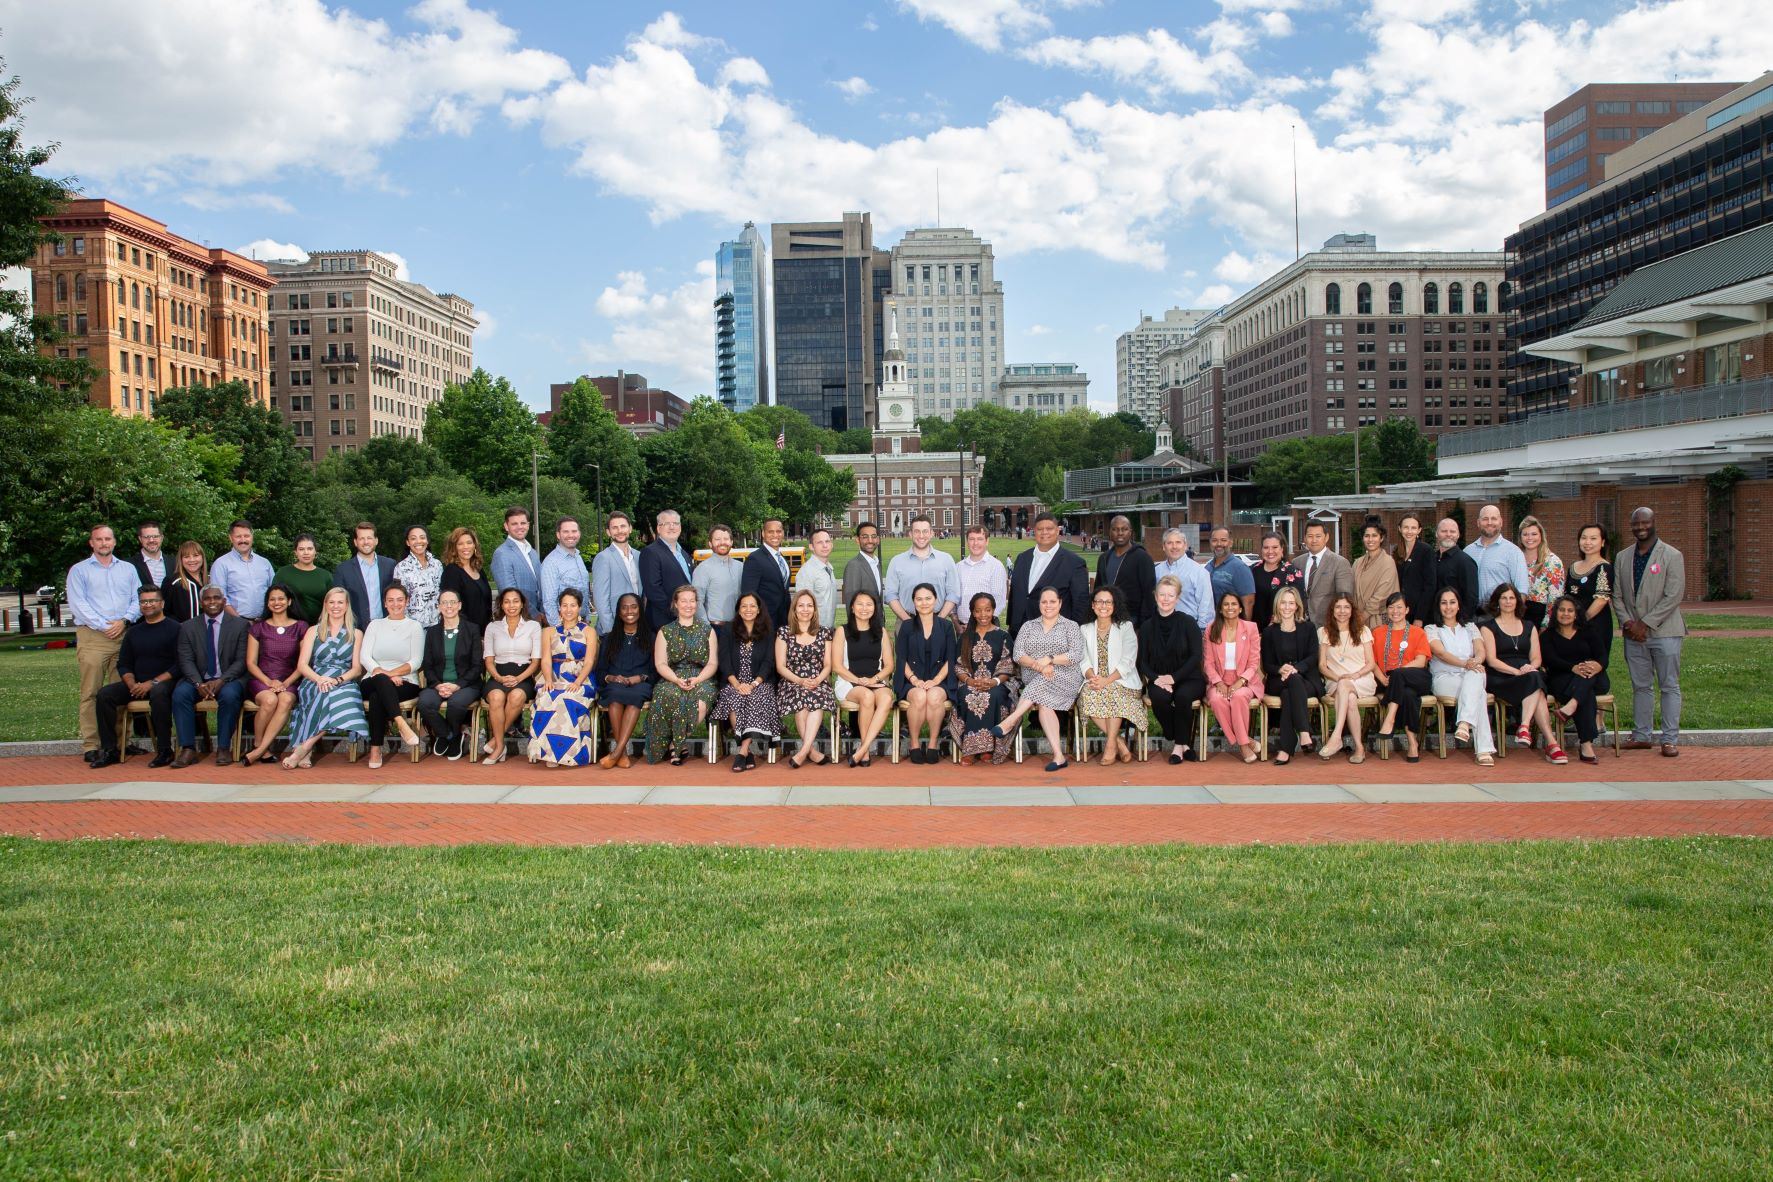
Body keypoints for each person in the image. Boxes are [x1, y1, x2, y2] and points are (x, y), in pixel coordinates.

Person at [1614, 506, 1685, 757]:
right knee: (1641, 686)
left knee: (1669, 685)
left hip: (1665, 632)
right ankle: (1642, 735)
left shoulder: (1672, 555)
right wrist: (1628, 623)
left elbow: (1673, 595)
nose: (1640, 527)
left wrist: (1645, 623)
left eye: (1645, 523)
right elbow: (1618, 595)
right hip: (1633, 634)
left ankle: (1669, 739)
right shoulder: (1623, 557)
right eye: (1636, 524)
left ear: (1654, 522)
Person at [68, 523, 142, 762]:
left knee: (122, 690)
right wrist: (104, 625)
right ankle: (91, 744)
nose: (104, 543)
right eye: (99, 539)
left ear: (114, 541)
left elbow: (137, 599)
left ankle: (122, 741)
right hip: (93, 636)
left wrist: (124, 620)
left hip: (124, 634)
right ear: (92, 543)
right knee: (91, 692)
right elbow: (79, 604)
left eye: (108, 539)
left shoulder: (128, 569)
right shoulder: (79, 571)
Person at [994, 586, 1087, 772]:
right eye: (1044, 602)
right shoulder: (1028, 626)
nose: (1048, 605)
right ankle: (1059, 756)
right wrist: (1040, 666)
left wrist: (1051, 659)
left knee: (1044, 681)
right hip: (1035, 675)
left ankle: (1011, 720)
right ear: (1039, 604)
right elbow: (1018, 654)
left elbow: (1076, 654)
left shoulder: (1071, 626)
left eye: (1052, 601)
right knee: (1044, 701)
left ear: (1060, 603)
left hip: (1066, 676)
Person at [91, 585, 181, 768]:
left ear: (162, 603)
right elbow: (124, 663)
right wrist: (132, 684)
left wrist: (151, 683)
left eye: (152, 601)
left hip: (165, 682)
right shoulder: (133, 632)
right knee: (104, 695)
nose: (147, 605)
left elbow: (180, 665)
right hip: (136, 684)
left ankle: (165, 750)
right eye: (143, 602)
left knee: (158, 693)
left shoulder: (176, 628)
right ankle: (110, 750)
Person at [282, 587, 369, 770]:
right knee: (322, 693)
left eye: (340, 602)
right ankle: (306, 749)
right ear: (325, 605)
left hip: (343, 681)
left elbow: (356, 668)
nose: (335, 606)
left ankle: (304, 748)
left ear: (346, 606)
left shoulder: (356, 633)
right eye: (331, 602)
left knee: (338, 695)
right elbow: (302, 665)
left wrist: (337, 680)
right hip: (315, 679)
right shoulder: (313, 631)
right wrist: (319, 679)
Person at [1482, 584, 1564, 762]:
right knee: (1537, 687)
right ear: (1497, 602)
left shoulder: (1529, 626)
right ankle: (1550, 743)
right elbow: (1492, 660)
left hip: (1528, 674)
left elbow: (1536, 657)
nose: (1508, 602)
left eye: (1511, 598)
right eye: (1503, 598)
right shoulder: (1487, 627)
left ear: (1517, 601)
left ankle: (1526, 727)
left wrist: (1530, 667)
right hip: (1501, 676)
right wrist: (1516, 671)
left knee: (1535, 678)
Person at [171, 585, 249, 768]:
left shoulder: (240, 625)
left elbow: (241, 660)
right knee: (180, 695)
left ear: (224, 600)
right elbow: (185, 660)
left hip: (229, 679)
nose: (212, 602)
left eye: (216, 597)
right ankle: (188, 748)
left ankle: (223, 747)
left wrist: (221, 681)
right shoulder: (187, 627)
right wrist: (198, 683)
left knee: (230, 696)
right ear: (200, 602)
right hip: (197, 679)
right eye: (207, 598)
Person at [647, 585, 719, 766]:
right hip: (673, 676)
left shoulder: (707, 630)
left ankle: (675, 743)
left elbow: (712, 663)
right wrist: (676, 679)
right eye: (684, 601)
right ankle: (675, 745)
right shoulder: (665, 631)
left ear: (697, 603)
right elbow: (660, 663)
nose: (688, 605)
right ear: (676, 604)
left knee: (701, 703)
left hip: (701, 677)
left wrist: (698, 679)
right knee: (670, 695)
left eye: (692, 601)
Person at [358, 582, 427, 770]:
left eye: (399, 600)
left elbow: (416, 661)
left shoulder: (414, 626)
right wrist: (384, 675)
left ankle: (375, 749)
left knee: (377, 696)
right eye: (391, 600)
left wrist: (389, 675)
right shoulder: (375, 625)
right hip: (372, 679)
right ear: (385, 603)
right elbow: (365, 657)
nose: (395, 604)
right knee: (378, 685)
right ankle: (401, 723)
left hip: (405, 682)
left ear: (407, 602)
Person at [1138, 574, 1205, 765]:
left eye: (1170, 595)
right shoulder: (1147, 627)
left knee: (1183, 697)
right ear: (1155, 596)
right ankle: (1181, 739)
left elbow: (1196, 657)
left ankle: (1177, 747)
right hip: (1159, 678)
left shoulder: (1188, 623)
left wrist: (1173, 678)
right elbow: (1142, 661)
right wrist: (1156, 679)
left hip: (1188, 678)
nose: (1166, 599)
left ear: (1177, 598)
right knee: (1159, 698)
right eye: (1162, 595)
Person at [529, 587, 598, 769]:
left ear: (580, 607)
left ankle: (569, 755)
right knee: (547, 697)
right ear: (559, 608)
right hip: (553, 675)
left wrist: (577, 682)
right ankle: (549, 755)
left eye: (573, 605)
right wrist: (549, 680)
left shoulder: (589, 631)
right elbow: (545, 659)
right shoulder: (549, 631)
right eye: (564, 605)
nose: (568, 610)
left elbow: (589, 661)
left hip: (580, 677)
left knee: (566, 699)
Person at [1426, 587, 1496, 766]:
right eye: (1444, 603)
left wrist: (1476, 661)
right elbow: (1440, 653)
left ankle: (1464, 724)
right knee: (1478, 692)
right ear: (1438, 606)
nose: (1448, 607)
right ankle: (1483, 750)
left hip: (1470, 673)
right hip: (1445, 678)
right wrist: (1466, 664)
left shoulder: (1470, 627)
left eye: (1452, 602)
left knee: (1476, 676)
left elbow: (1481, 651)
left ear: (1458, 605)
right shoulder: (1432, 629)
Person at [1077, 585, 1146, 765]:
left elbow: (1128, 660)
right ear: (1093, 605)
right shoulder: (1085, 629)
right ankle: (1118, 742)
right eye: (1099, 601)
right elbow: (1082, 659)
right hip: (1094, 680)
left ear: (1115, 605)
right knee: (1087, 698)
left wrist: (1107, 680)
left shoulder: (1125, 627)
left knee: (1113, 694)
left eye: (1108, 602)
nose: (1103, 605)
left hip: (1122, 680)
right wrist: (1093, 678)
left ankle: (1109, 746)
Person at [240, 585, 308, 766]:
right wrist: (269, 681)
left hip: (290, 679)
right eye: (272, 599)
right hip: (262, 679)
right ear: (267, 603)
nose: (276, 602)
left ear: (289, 601)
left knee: (285, 700)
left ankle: (259, 751)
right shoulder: (258, 628)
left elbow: (303, 663)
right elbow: (251, 663)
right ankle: (259, 744)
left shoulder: (301, 627)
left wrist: (285, 683)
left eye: (281, 599)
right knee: (270, 700)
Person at [947, 591, 1015, 766]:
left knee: (993, 695)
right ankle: (971, 749)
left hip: (998, 682)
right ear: (972, 612)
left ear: (993, 611)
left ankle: (987, 748)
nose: (983, 615)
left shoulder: (1003, 636)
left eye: (987, 610)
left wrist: (994, 681)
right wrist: (969, 681)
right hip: (969, 681)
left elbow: (1007, 666)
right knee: (968, 695)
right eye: (978, 611)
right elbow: (958, 666)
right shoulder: (965, 637)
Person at [712, 592, 778, 772]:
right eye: (744, 606)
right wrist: (737, 684)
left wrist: (754, 684)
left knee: (756, 697)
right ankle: (746, 751)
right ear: (738, 610)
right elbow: (724, 660)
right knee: (736, 699)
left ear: (758, 610)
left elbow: (768, 662)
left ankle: (741, 751)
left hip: (760, 683)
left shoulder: (768, 631)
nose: (748, 609)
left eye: (752, 606)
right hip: (734, 682)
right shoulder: (728, 630)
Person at [895, 583, 960, 764]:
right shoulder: (906, 626)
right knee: (919, 697)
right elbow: (901, 659)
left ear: (936, 600)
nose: (924, 603)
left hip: (940, 679)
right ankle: (914, 743)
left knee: (934, 697)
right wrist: (914, 680)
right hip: (911, 679)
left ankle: (933, 743)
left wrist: (936, 680)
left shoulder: (946, 626)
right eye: (919, 599)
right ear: (914, 602)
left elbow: (951, 658)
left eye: (928, 598)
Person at [1543, 595, 1610, 766]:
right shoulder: (1548, 636)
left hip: (1594, 677)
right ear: (1555, 613)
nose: (1565, 614)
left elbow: (1602, 656)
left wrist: (1597, 666)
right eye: (1562, 610)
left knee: (1586, 676)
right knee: (1584, 693)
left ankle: (1571, 706)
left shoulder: (1589, 631)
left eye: (1570, 610)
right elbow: (1550, 660)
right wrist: (1572, 667)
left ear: (1576, 614)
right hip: (1562, 679)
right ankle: (1586, 745)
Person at [418, 588, 484, 761]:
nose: (449, 606)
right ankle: (449, 735)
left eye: (452, 602)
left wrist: (457, 685)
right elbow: (428, 665)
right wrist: (438, 685)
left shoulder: (472, 630)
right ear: (439, 606)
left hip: (467, 684)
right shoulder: (432, 632)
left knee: (456, 703)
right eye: (444, 602)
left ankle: (451, 736)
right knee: (424, 702)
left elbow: (477, 665)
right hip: (438, 684)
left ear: (459, 605)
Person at [1006, 513, 1091, 644]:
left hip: (1055, 638)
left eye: (1049, 529)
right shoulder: (1022, 558)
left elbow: (1081, 604)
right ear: (1034, 531)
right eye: (1040, 529)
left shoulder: (1074, 563)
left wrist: (1073, 637)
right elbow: (1016, 594)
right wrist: (1011, 624)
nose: (1044, 532)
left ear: (1058, 531)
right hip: (1019, 633)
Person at [482, 588, 543, 764]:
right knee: (496, 697)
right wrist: (499, 678)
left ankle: (495, 742)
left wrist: (518, 678)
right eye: (507, 601)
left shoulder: (533, 626)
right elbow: (488, 660)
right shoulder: (492, 627)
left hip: (523, 675)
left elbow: (535, 662)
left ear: (522, 603)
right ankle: (500, 745)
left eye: (515, 601)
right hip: (498, 674)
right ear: (501, 604)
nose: (511, 605)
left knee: (516, 696)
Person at [595, 592, 655, 768]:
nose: (629, 611)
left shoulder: (651, 638)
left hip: (640, 685)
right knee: (614, 696)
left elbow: (655, 672)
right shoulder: (610, 638)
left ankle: (616, 753)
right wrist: (611, 677)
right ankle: (623, 753)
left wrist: (640, 677)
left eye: (634, 606)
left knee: (635, 697)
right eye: (624, 607)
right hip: (615, 685)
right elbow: (600, 672)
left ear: (640, 610)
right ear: (619, 612)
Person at [776, 589, 836, 768]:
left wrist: (818, 680)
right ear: (794, 609)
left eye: (809, 605)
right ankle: (811, 751)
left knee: (815, 698)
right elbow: (780, 666)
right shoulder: (784, 632)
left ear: (815, 610)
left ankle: (803, 752)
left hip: (819, 680)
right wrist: (800, 681)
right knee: (801, 702)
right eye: (801, 605)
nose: (805, 609)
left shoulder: (824, 633)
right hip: (792, 681)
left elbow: (828, 665)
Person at [1259, 585, 1318, 766]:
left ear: (1297, 606)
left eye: (1291, 603)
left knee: (1288, 694)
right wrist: (1281, 670)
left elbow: (1313, 656)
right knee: (1289, 686)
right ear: (1277, 605)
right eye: (1283, 603)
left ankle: (1286, 748)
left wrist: (1295, 669)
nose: (1287, 607)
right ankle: (1304, 732)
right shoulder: (1269, 632)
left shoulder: (1308, 628)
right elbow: (1267, 664)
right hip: (1278, 680)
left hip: (1305, 679)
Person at [1202, 591, 1263, 763]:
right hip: (1220, 680)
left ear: (1240, 608)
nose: (1230, 607)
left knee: (1238, 696)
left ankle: (1242, 744)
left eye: (1234, 604)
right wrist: (1218, 682)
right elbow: (1208, 663)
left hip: (1245, 681)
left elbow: (1254, 663)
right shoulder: (1212, 629)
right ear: (1220, 609)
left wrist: (1241, 681)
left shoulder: (1250, 628)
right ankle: (1245, 742)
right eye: (1226, 604)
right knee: (1215, 699)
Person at [1317, 593, 1377, 764]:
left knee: (1347, 688)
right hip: (1335, 680)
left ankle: (1336, 737)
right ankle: (1359, 747)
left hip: (1362, 678)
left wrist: (1356, 675)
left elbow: (1371, 663)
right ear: (1332, 610)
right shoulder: (1324, 632)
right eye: (1338, 607)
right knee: (1349, 698)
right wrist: (1338, 677)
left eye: (1346, 607)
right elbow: (1322, 665)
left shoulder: (1363, 631)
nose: (1342, 611)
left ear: (1352, 610)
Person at [1371, 592, 1430, 762]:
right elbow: (1372, 662)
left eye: (1399, 607)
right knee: (1408, 695)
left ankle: (1389, 719)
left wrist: (1399, 672)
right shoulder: (1378, 633)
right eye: (1391, 607)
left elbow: (1420, 662)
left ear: (1407, 610)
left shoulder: (1418, 632)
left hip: (1415, 676)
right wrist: (1382, 679)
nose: (1395, 611)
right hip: (1388, 680)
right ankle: (1412, 743)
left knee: (1399, 675)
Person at [884, 514, 960, 623]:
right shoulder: (896, 561)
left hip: (939, 619)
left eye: (925, 531)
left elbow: (953, 593)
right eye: (917, 531)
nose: (921, 535)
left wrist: (940, 620)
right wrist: (907, 621)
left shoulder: (946, 559)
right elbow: (891, 595)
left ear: (931, 533)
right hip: (905, 620)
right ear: (910, 534)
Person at [638, 509, 696, 630]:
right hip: (663, 622)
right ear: (658, 528)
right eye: (667, 524)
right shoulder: (650, 552)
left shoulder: (685, 554)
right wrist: (675, 611)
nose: (672, 527)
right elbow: (653, 589)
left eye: (675, 523)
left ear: (680, 527)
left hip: (686, 619)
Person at [333, 522, 397, 631]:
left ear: (376, 540)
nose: (366, 542)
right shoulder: (342, 570)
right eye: (361, 538)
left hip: (387, 627)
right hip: (355, 629)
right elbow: (338, 601)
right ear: (355, 542)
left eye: (369, 538)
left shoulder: (391, 565)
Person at [1566, 523, 1615, 661]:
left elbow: (1601, 600)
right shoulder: (1573, 567)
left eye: (1593, 538)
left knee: (1591, 666)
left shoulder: (1604, 567)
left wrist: (1581, 621)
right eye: (1584, 538)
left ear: (1603, 542)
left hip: (1595, 626)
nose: (1587, 542)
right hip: (1571, 625)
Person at [1096, 515, 1156, 628]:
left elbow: (1149, 593)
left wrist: (1144, 625)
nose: (1120, 533)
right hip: (1106, 619)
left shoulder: (1142, 558)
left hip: (1132, 621)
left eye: (1124, 529)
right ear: (1110, 532)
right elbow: (1098, 590)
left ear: (1130, 532)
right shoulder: (1104, 558)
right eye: (1115, 529)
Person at [1465, 503, 1530, 609]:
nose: (1489, 523)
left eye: (1494, 518)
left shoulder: (1513, 552)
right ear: (1478, 522)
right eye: (1485, 519)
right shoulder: (1468, 551)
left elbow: (1522, 591)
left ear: (1501, 522)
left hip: (1499, 614)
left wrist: (1510, 618)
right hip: (1470, 615)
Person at [590, 511, 642, 634]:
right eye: (615, 528)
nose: (619, 531)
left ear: (630, 528)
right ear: (608, 532)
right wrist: (610, 630)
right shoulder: (603, 558)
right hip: (614, 627)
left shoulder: (639, 556)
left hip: (638, 625)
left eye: (623, 526)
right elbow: (600, 599)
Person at [210, 520, 274, 620]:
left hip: (265, 623)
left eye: (246, 536)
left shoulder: (264, 563)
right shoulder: (221, 564)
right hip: (235, 624)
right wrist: (240, 622)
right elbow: (219, 598)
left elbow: (274, 591)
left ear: (252, 537)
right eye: (238, 536)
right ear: (231, 538)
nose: (243, 540)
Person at [489, 506, 543, 623]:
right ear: (506, 526)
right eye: (514, 524)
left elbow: (540, 588)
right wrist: (535, 615)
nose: (520, 527)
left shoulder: (532, 553)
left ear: (528, 525)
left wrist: (543, 613)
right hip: (518, 621)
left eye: (523, 523)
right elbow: (509, 592)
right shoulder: (502, 553)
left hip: (538, 619)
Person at [1153, 527, 1214, 628]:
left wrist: (1201, 631)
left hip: (1189, 628)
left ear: (1185, 545)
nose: (1174, 546)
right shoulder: (1157, 571)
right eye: (1169, 543)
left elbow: (1206, 606)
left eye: (1178, 542)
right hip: (1161, 627)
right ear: (1164, 546)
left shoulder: (1199, 572)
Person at [739, 517, 792, 631]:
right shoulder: (755, 559)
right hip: (764, 623)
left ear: (783, 533)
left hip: (783, 621)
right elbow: (748, 593)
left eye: (778, 531)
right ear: (763, 533)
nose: (775, 535)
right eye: (770, 532)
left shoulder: (782, 559)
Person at [1296, 520, 1354, 625]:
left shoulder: (1340, 563)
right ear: (1304, 538)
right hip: (1301, 623)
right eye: (1310, 536)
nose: (1314, 540)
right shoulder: (1297, 562)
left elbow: (1345, 597)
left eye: (1318, 536)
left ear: (1326, 537)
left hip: (1328, 624)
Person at [539, 516, 590, 630]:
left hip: (582, 623)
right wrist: (561, 630)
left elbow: (584, 592)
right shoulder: (551, 563)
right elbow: (549, 602)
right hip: (564, 627)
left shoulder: (578, 557)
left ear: (579, 533)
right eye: (565, 532)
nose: (570, 535)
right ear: (558, 535)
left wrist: (587, 618)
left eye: (574, 531)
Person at [440, 526, 493, 633]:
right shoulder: (451, 572)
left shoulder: (478, 569)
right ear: (454, 548)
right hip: (464, 633)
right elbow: (452, 607)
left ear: (474, 545)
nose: (466, 547)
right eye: (460, 544)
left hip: (484, 631)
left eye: (469, 542)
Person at [1517, 515, 1564, 630]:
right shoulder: (1516, 558)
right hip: (1517, 613)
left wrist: (1546, 624)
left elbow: (1555, 597)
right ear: (1520, 537)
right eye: (1525, 534)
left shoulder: (1552, 561)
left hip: (1540, 615)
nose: (1529, 538)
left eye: (1534, 534)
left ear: (1541, 536)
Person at [1249, 531, 1303, 631]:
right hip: (1254, 631)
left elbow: (1299, 605)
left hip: (1281, 631)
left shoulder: (1293, 573)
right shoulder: (1252, 570)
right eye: (1266, 547)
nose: (1270, 551)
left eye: (1274, 547)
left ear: (1282, 549)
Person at [691, 524, 743, 627]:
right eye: (717, 539)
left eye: (726, 539)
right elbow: (697, 601)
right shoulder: (703, 569)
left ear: (731, 542)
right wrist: (707, 629)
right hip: (715, 628)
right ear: (710, 544)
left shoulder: (741, 567)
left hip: (739, 628)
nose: (722, 542)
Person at [955, 525, 1008, 627]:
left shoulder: (996, 566)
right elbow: (954, 596)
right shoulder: (958, 567)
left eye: (980, 539)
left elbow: (998, 600)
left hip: (986, 627)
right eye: (971, 539)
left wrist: (980, 624)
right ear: (967, 542)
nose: (975, 543)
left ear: (987, 541)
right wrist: (956, 622)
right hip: (962, 627)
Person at [392, 525, 443, 629]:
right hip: (413, 627)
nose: (418, 541)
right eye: (413, 538)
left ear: (427, 540)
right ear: (408, 542)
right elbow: (399, 599)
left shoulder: (437, 565)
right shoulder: (401, 568)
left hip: (438, 625)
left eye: (422, 537)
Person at [273, 534, 332, 624]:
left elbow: (333, 603)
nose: (306, 553)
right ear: (295, 552)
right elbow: (273, 600)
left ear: (315, 551)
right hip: (289, 627)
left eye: (310, 549)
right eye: (301, 549)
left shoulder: (326, 576)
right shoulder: (283, 573)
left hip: (318, 628)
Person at [1352, 522, 1400, 624]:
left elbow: (1382, 593)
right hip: (1357, 617)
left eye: (1374, 536)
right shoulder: (1358, 563)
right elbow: (1352, 590)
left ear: (1381, 538)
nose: (1370, 540)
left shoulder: (1388, 562)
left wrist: (1364, 615)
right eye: (1367, 536)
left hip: (1378, 619)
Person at [793, 527, 840, 629]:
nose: (825, 545)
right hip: (813, 631)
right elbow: (802, 608)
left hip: (828, 630)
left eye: (827, 541)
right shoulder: (807, 572)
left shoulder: (828, 568)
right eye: (819, 542)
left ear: (831, 544)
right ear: (811, 547)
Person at [1205, 527, 1255, 621]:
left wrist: (1244, 630)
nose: (1219, 544)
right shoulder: (1208, 567)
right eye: (1215, 540)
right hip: (1212, 625)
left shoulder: (1240, 568)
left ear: (1230, 543)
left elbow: (1248, 602)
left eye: (1223, 540)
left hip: (1232, 625)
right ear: (1210, 543)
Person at [1395, 514, 1437, 626]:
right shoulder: (1396, 552)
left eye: (1413, 528)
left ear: (1419, 530)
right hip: (1402, 612)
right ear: (1399, 529)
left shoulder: (1426, 551)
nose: (1409, 531)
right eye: (1406, 527)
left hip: (1420, 613)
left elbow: (1430, 586)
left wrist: (1420, 617)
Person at [1433, 517, 1480, 615]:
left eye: (1452, 531)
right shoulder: (1431, 559)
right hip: (1431, 621)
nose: (1448, 534)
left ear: (1458, 535)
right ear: (1436, 534)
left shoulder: (1465, 562)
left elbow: (1471, 598)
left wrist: (1461, 622)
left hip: (1455, 622)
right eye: (1444, 531)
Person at [162, 541, 208, 623]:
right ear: (181, 559)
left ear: (202, 557)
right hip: (182, 632)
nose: (192, 560)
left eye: (196, 555)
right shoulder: (173, 582)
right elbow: (164, 612)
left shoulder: (211, 580)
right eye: (186, 557)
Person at [841, 521, 884, 606]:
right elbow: (851, 602)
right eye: (865, 537)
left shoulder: (876, 563)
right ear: (857, 540)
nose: (870, 541)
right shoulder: (853, 566)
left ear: (878, 540)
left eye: (873, 536)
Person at [128, 520, 168, 591]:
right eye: (146, 537)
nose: (151, 540)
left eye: (155, 536)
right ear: (140, 539)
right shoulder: (128, 565)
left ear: (161, 538)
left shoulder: (175, 563)